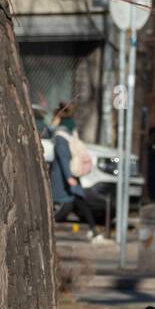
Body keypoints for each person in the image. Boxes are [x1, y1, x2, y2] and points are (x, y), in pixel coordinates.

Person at [47, 103, 106, 245]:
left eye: (53, 118)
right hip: (68, 177)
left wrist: (68, 177)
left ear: (58, 118)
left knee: (55, 204)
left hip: (63, 178)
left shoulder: (60, 136)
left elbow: (63, 157)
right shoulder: (70, 132)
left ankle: (93, 231)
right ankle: (93, 231)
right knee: (74, 202)